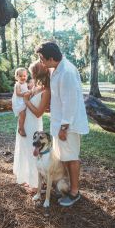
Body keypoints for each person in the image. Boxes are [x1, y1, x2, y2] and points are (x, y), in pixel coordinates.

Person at [35, 41, 90, 206]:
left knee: (71, 158)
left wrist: (64, 127)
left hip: (68, 126)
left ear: (52, 58)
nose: (41, 62)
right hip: (59, 124)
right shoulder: (56, 69)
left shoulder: (67, 72)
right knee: (64, 157)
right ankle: (64, 186)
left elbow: (70, 102)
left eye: (42, 58)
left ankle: (74, 193)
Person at [13, 61, 50, 195]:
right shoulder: (34, 86)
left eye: (33, 73)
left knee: (32, 150)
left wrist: (27, 101)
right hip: (24, 122)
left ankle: (36, 184)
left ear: (39, 73)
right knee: (24, 148)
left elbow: (39, 112)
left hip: (34, 123)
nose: (30, 76)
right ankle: (26, 178)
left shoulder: (46, 90)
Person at [11, 68, 31, 137]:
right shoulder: (18, 84)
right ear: (16, 77)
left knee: (25, 114)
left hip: (23, 101)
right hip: (18, 102)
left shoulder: (26, 84)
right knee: (22, 115)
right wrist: (26, 93)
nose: (23, 77)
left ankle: (24, 126)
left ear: (27, 76)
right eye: (20, 76)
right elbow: (18, 93)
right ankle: (21, 128)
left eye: (24, 76)